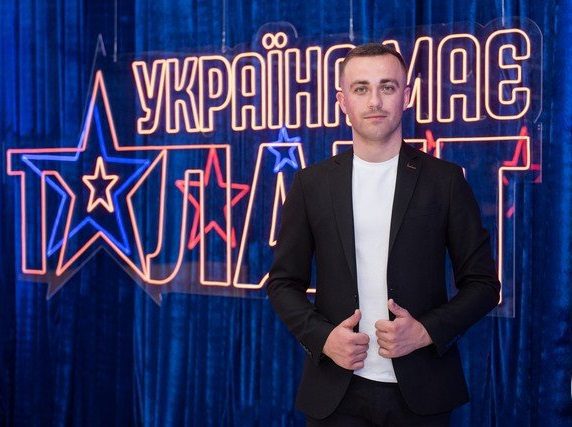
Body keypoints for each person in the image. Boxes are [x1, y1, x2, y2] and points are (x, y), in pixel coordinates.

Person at [266, 43, 500, 426]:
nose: (374, 100)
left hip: (422, 394)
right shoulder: (311, 184)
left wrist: (425, 331)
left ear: (406, 96)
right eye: (361, 88)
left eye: (387, 87)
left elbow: (484, 285)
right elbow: (282, 283)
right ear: (342, 101)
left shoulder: (445, 182)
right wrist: (323, 338)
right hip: (335, 395)